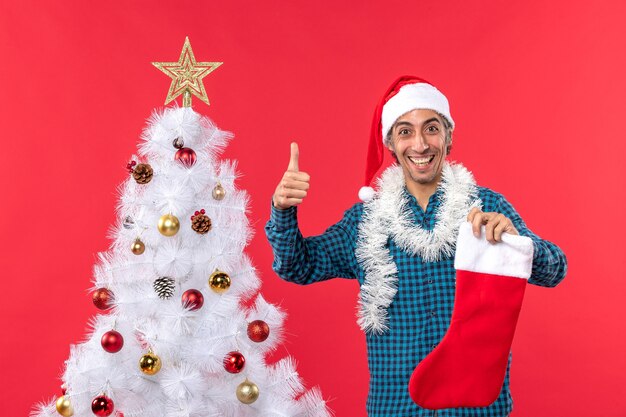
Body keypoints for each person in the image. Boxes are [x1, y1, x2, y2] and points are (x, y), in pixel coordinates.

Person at [264, 76, 567, 416]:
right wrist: (283, 210)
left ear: (448, 136)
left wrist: (518, 242)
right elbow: (298, 266)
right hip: (397, 407)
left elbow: (555, 270)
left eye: (431, 129)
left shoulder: (486, 206)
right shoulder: (366, 220)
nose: (420, 145)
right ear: (390, 143)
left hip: (478, 408)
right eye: (405, 131)